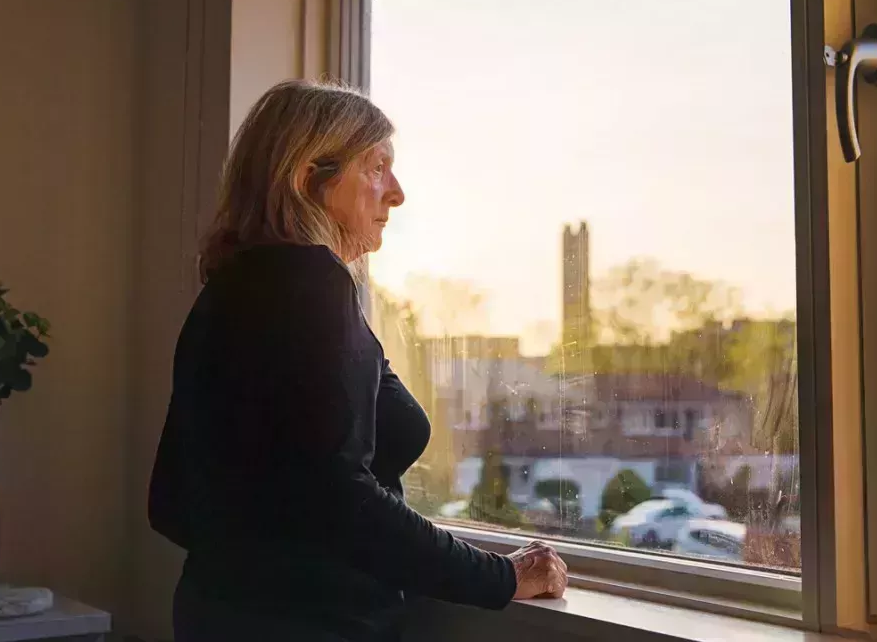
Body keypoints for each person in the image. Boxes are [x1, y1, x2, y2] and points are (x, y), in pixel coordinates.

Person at [148, 80, 568, 642]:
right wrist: (498, 575)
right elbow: (338, 494)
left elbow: (169, 503)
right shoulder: (308, 283)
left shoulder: (229, 291)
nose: (395, 193)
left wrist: (255, 560)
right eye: (375, 167)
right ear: (306, 180)